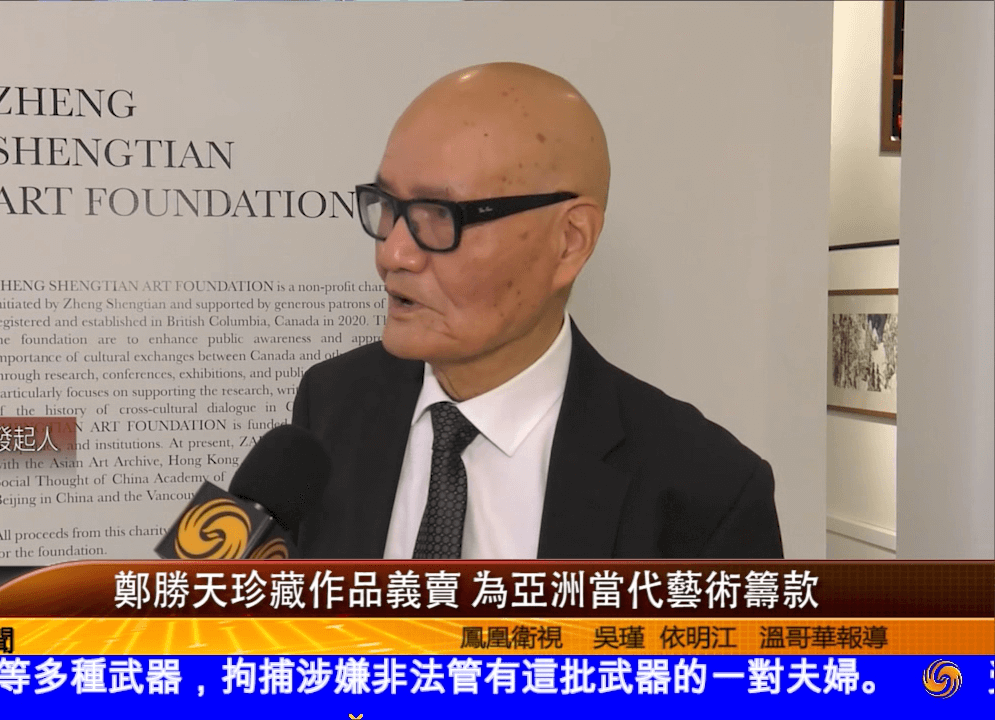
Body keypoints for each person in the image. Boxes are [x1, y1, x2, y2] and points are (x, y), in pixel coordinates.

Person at [290, 62, 784, 559]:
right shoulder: (332, 402)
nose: (392, 253)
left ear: (569, 241)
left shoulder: (706, 494)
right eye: (386, 205)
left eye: (440, 215)